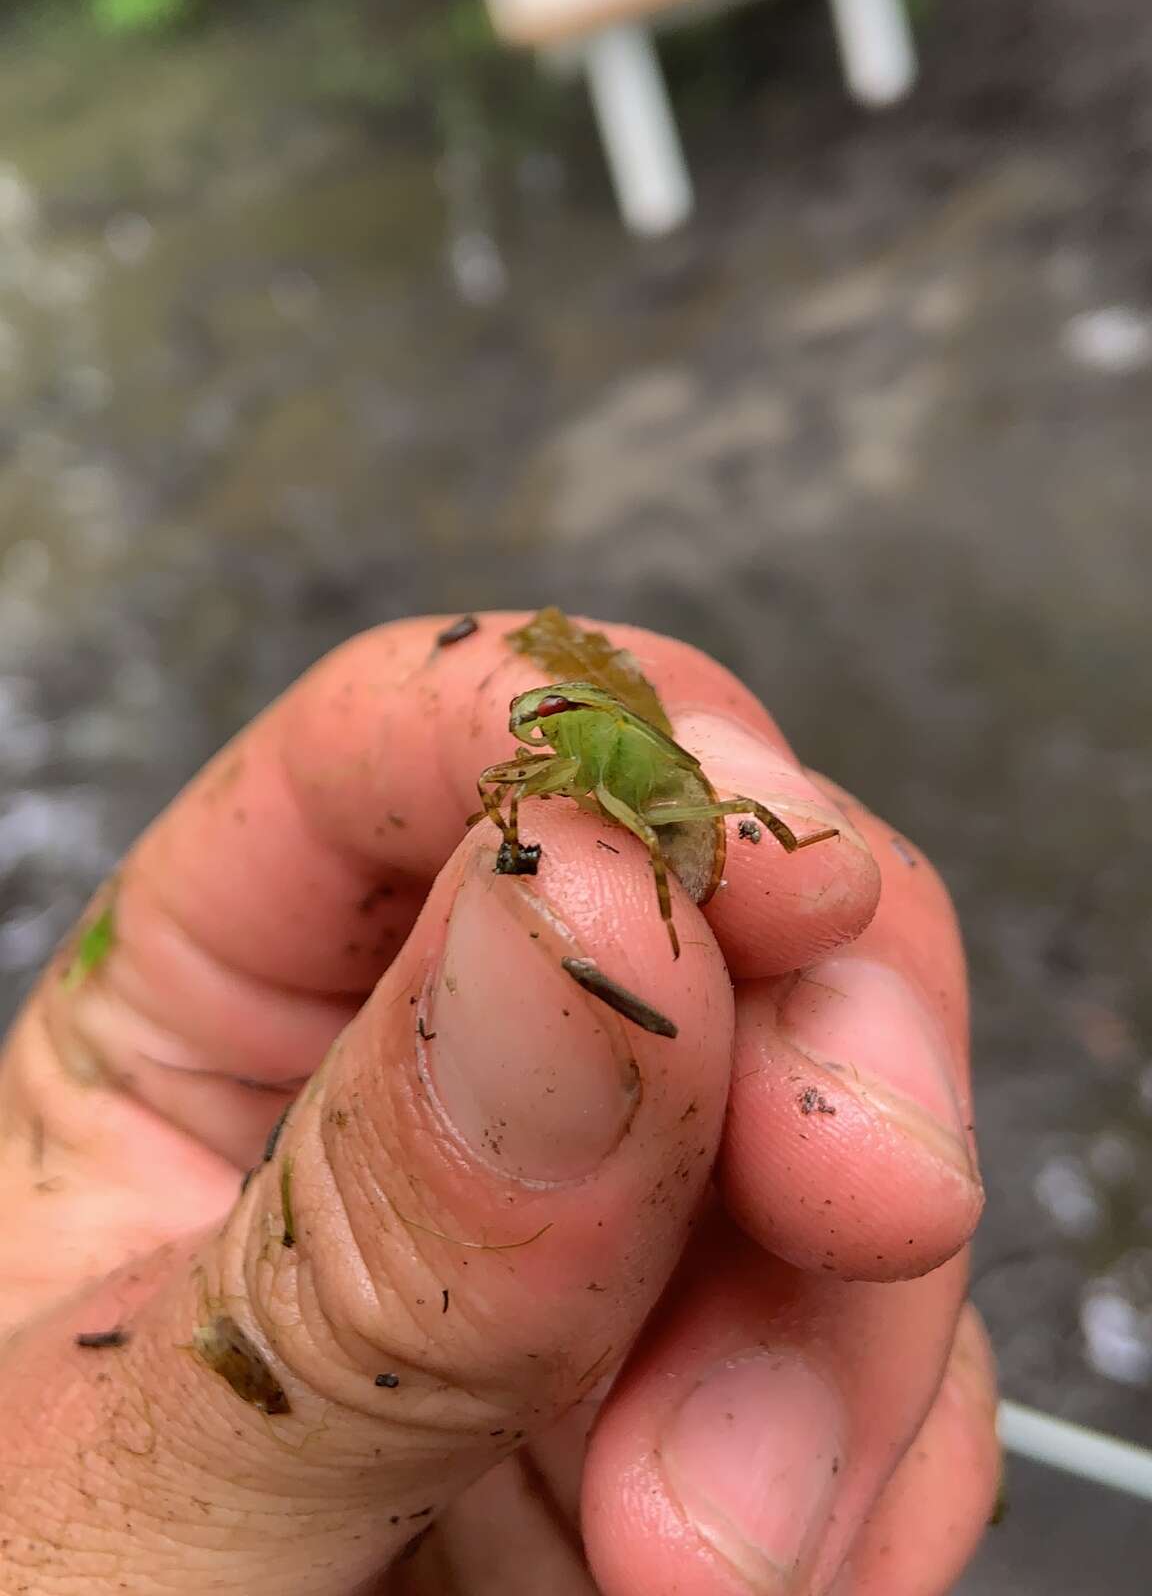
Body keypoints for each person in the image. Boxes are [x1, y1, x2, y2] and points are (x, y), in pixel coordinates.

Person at [0, 615, 999, 1593]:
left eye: (552, 715)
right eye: (543, 718)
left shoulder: (600, 756)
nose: (535, 728)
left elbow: (640, 802)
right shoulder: (550, 764)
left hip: (674, 841)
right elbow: (514, 790)